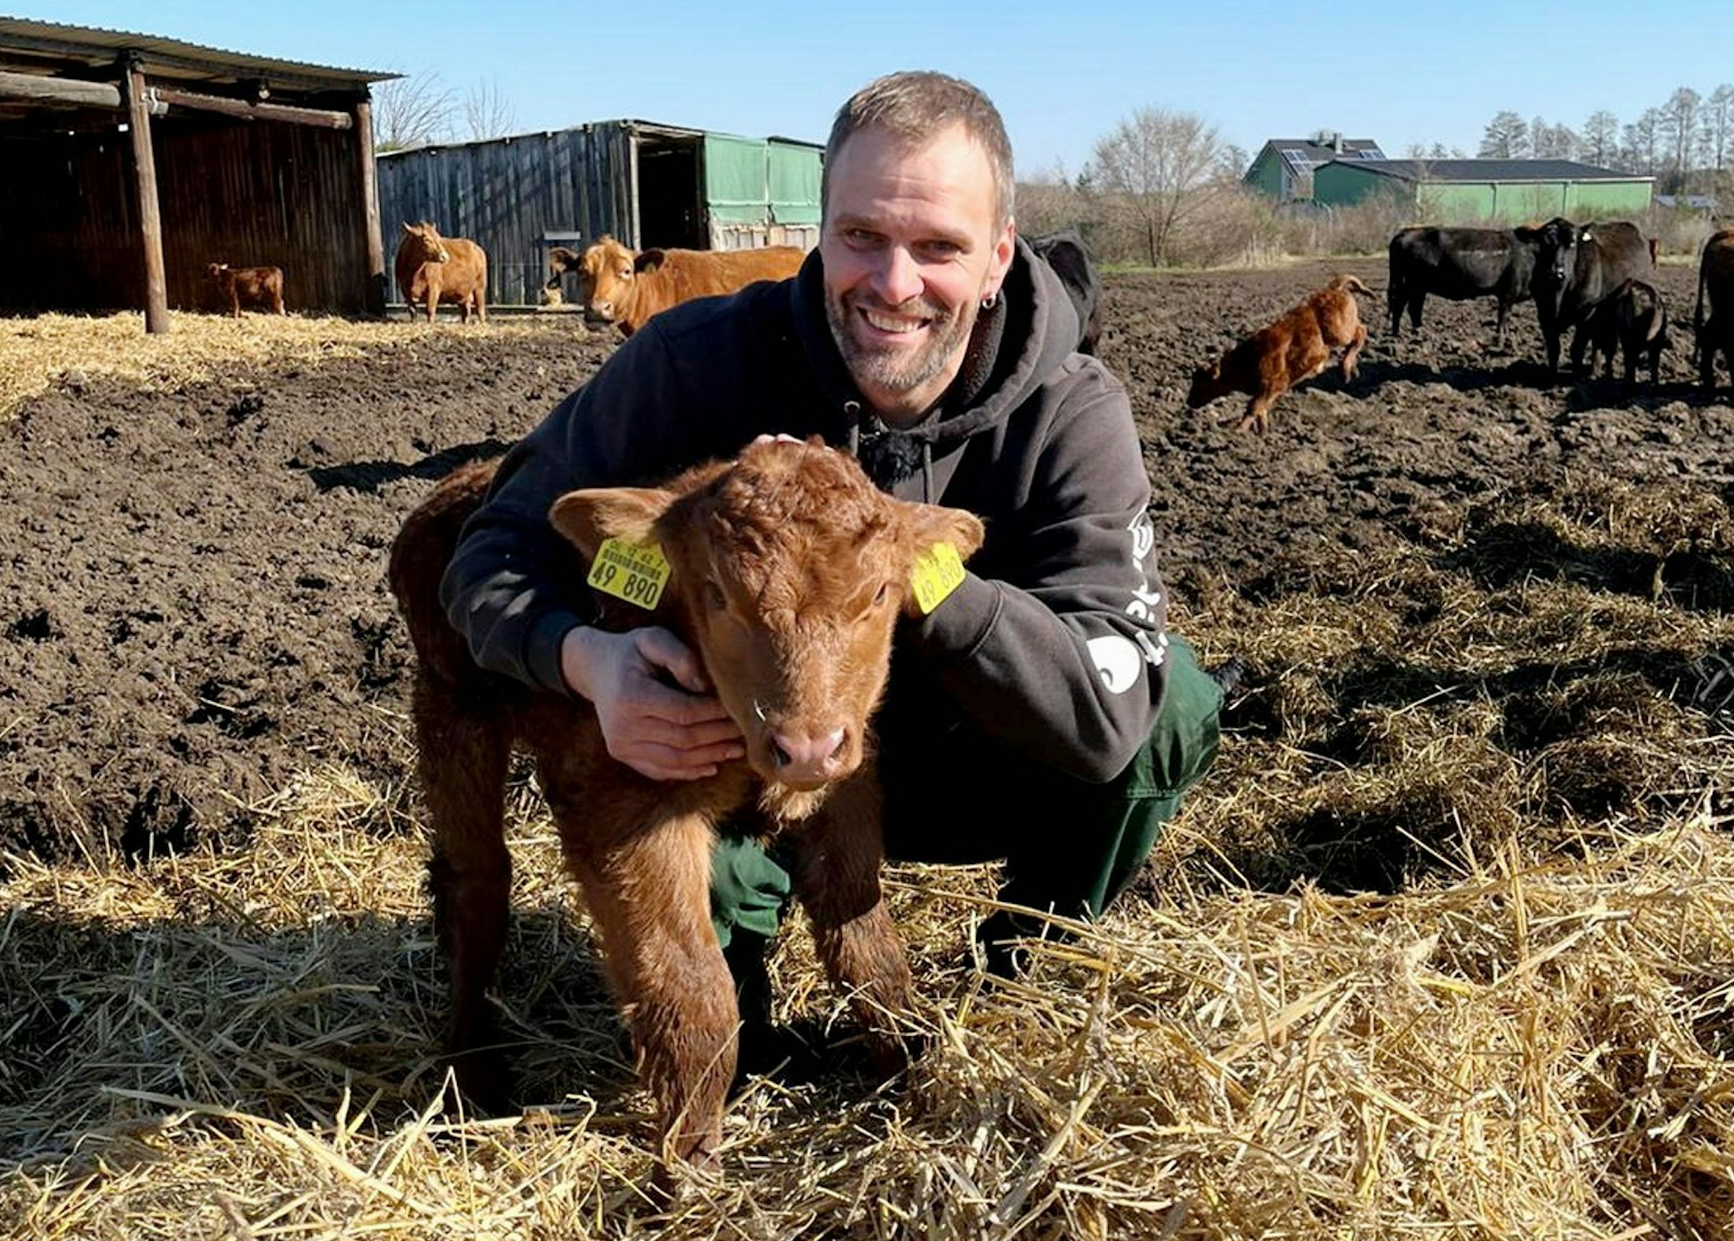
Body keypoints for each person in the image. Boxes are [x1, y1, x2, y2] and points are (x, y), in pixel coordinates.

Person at [439, 71, 1228, 1007]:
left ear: (998, 257)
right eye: (862, 237)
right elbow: (492, 552)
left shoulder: (1071, 414)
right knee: (703, 1013)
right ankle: (747, 1000)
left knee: (1169, 704)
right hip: (739, 747)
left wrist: (912, 570)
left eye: (939, 246)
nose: (894, 285)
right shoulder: (694, 362)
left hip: (962, 757)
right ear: (821, 231)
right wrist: (589, 663)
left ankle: (1027, 966)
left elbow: (1110, 717)